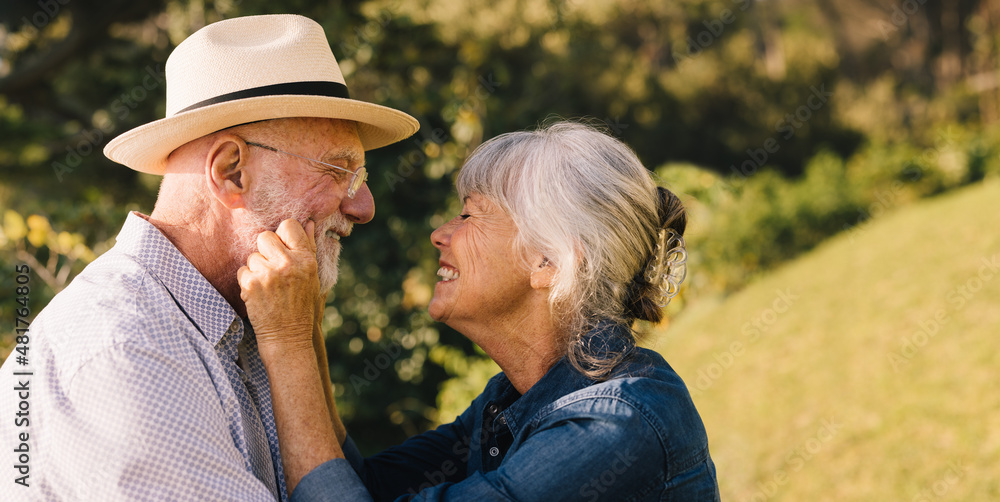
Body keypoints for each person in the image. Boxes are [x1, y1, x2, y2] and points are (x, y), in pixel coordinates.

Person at [0, 14, 418, 500]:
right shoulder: (130, 353)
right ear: (231, 171)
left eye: (360, 176)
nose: (363, 206)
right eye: (338, 171)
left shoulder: (233, 319)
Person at [240, 121, 721, 501]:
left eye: (470, 214)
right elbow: (359, 489)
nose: (441, 234)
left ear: (548, 261)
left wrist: (285, 340)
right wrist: (307, 327)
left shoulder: (614, 425)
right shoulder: (512, 399)